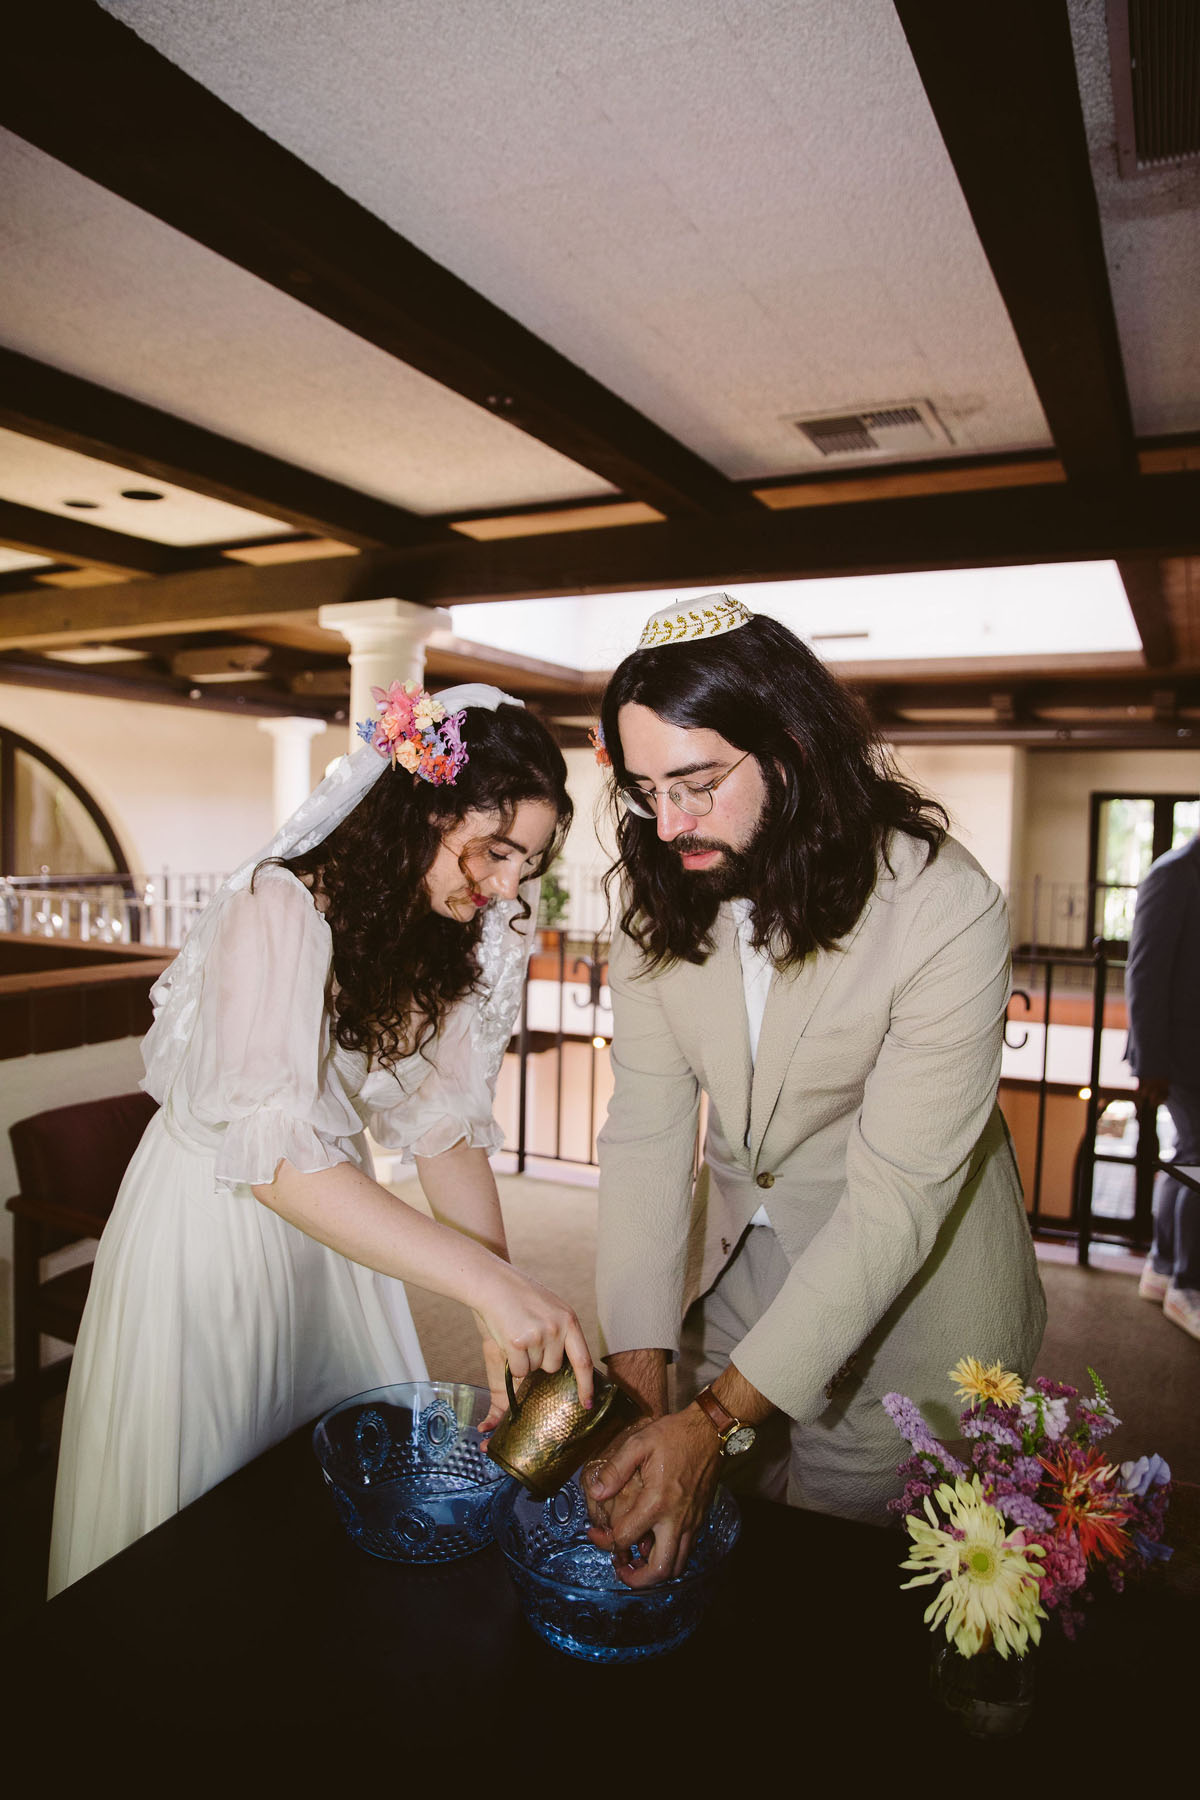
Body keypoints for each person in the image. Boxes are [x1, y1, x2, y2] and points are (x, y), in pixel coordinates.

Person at [49, 681, 594, 1595]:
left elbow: (445, 1130)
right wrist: (492, 1285)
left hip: (341, 1231)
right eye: (493, 851)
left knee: (322, 1538)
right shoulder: (278, 908)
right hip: (215, 1231)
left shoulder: (450, 934)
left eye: (524, 864)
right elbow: (271, 1159)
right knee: (199, 1541)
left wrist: (495, 1303)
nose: (505, 886)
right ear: (423, 808)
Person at [584, 595, 1046, 1587]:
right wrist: (639, 1360)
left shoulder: (941, 904)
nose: (669, 825)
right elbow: (647, 1134)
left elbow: (894, 1204)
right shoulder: (658, 893)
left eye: (699, 783)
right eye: (644, 790)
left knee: (833, 1556)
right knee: (683, 1510)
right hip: (750, 1258)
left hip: (910, 1288)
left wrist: (709, 1422)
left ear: (787, 748)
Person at [1125, 829, 1200, 1340]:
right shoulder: (1173, 873)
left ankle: (1160, 1265)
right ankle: (1186, 1283)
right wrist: (1150, 1062)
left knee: (1190, 1153)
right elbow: (1144, 973)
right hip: (1175, 1054)